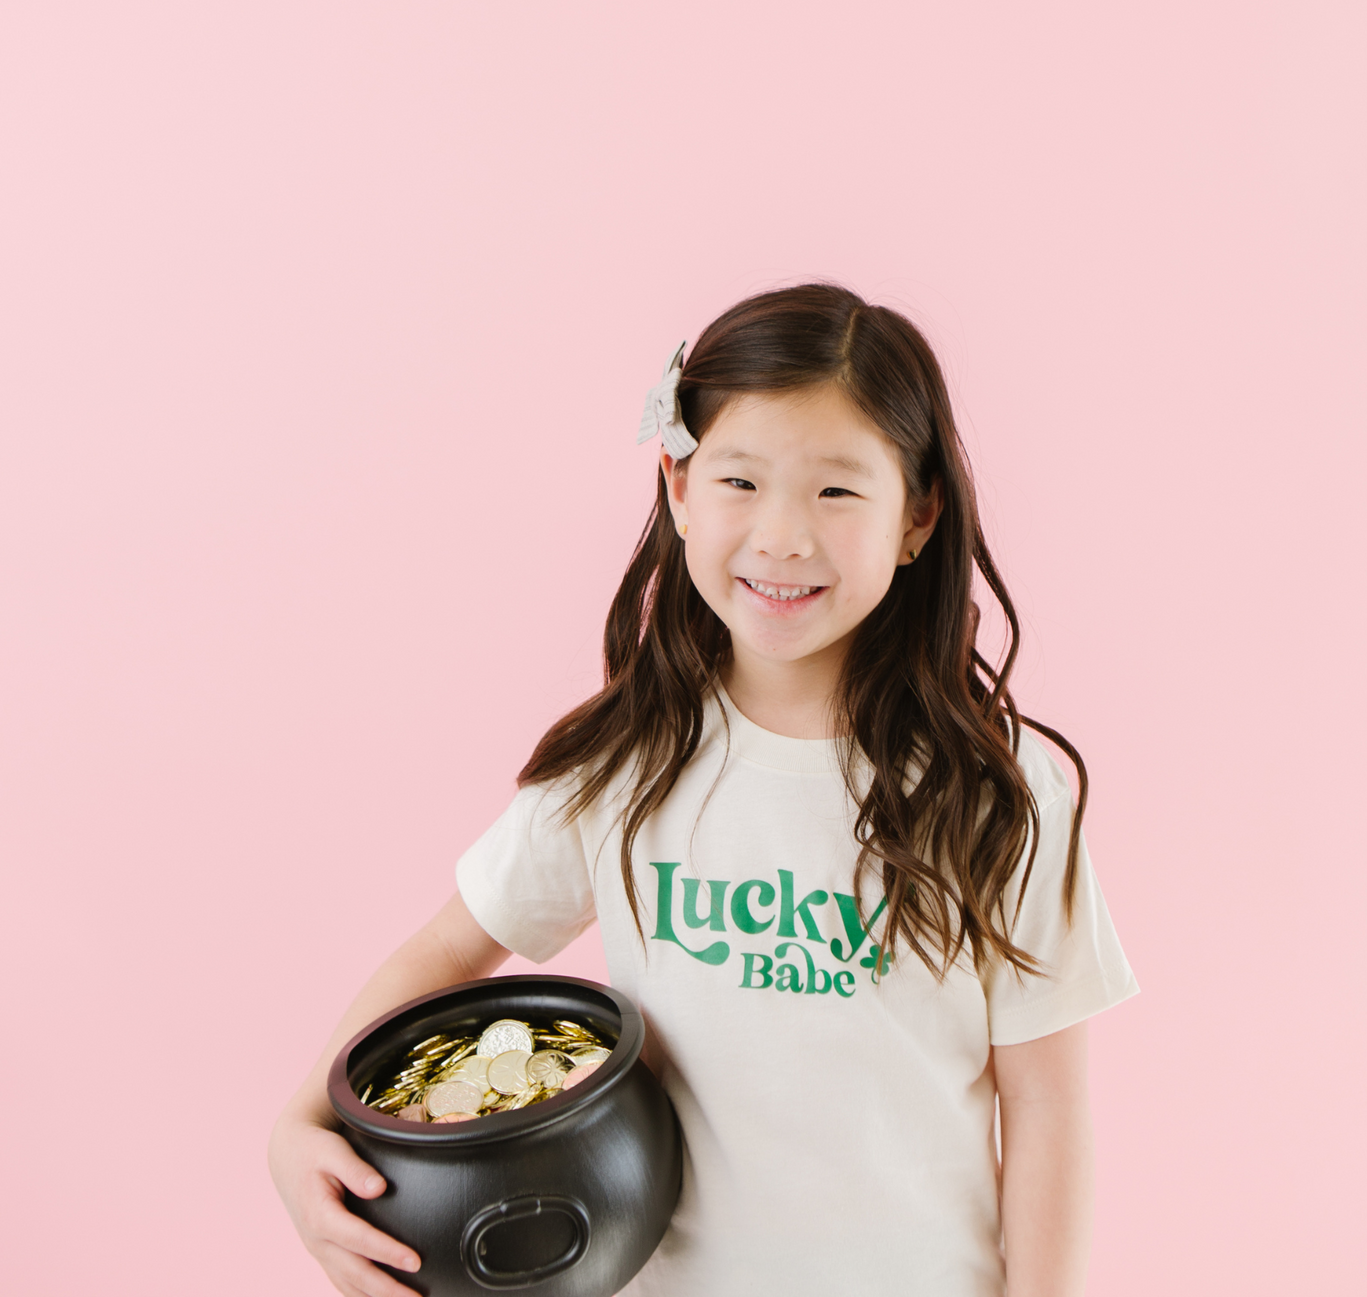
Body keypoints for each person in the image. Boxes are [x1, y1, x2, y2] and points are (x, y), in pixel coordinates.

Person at [269, 283, 1139, 1297]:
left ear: (919, 514)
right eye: (740, 481)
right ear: (678, 488)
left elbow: (1045, 1108)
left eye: (837, 491)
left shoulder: (999, 793)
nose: (782, 536)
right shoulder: (625, 761)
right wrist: (303, 1122)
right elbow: (451, 948)